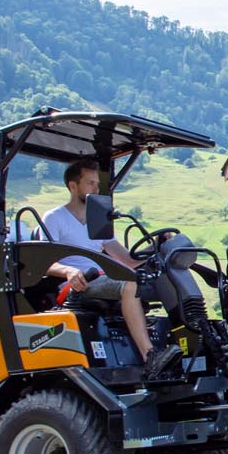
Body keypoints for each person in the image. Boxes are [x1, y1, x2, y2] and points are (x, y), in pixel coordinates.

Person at [36, 158, 182, 378]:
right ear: (73, 186)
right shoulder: (55, 218)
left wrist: (156, 245)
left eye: (97, 184)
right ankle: (150, 357)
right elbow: (43, 262)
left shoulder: (98, 222)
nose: (96, 189)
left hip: (102, 279)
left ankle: (189, 344)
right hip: (77, 284)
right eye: (90, 183)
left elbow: (127, 260)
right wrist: (68, 271)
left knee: (159, 277)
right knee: (129, 284)